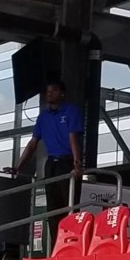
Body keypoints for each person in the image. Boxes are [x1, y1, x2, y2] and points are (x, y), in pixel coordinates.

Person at [10, 81, 85, 240]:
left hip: (67, 162)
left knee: (70, 206)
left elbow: (73, 139)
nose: (49, 93)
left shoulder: (71, 111)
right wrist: (17, 167)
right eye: (47, 91)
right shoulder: (43, 116)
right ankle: (57, 247)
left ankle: (73, 244)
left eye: (54, 90)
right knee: (53, 209)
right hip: (51, 164)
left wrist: (77, 164)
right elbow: (32, 143)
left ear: (62, 93)